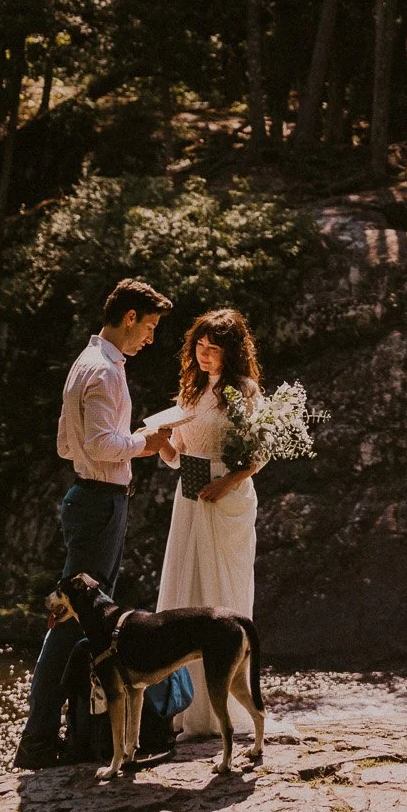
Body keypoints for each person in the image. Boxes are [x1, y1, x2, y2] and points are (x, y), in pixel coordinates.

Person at [13, 277, 173, 770]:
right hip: (101, 504)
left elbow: (67, 445)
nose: (150, 338)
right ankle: (40, 739)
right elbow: (103, 445)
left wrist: (123, 444)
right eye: (148, 327)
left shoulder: (88, 364)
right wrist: (145, 442)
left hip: (90, 498)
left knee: (77, 620)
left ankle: (73, 731)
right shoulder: (103, 372)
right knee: (72, 622)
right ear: (129, 318)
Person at [155, 307, 263, 737]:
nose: (203, 354)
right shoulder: (191, 390)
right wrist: (162, 443)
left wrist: (227, 483)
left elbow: (259, 454)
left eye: (212, 348)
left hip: (227, 499)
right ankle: (184, 710)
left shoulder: (245, 390)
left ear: (230, 352)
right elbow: (178, 455)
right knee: (184, 590)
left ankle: (223, 710)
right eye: (199, 345)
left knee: (221, 594)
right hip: (190, 498)